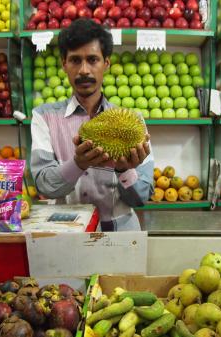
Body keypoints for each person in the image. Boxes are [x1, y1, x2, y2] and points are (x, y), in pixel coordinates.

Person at [30, 18, 154, 232]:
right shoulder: (44, 117)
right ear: (64, 64)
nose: (84, 70)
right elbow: (44, 185)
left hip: (121, 233)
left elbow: (142, 197)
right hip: (66, 232)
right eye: (75, 60)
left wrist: (124, 169)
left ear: (106, 63)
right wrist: (77, 163)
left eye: (93, 60)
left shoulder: (134, 120)